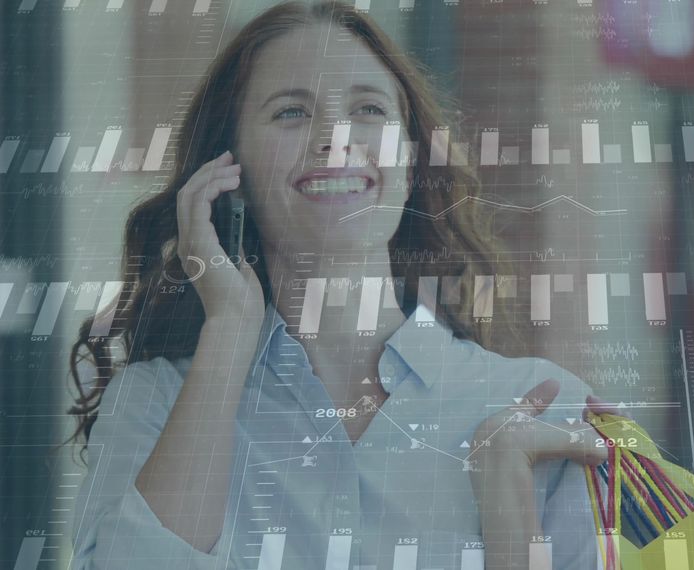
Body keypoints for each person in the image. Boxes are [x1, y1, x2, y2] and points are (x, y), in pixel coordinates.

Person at [67, 2, 612, 568]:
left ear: (410, 159)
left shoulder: (543, 409)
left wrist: (507, 500)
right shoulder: (154, 402)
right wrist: (228, 331)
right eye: (291, 113)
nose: (336, 136)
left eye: (369, 108)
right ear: (231, 175)